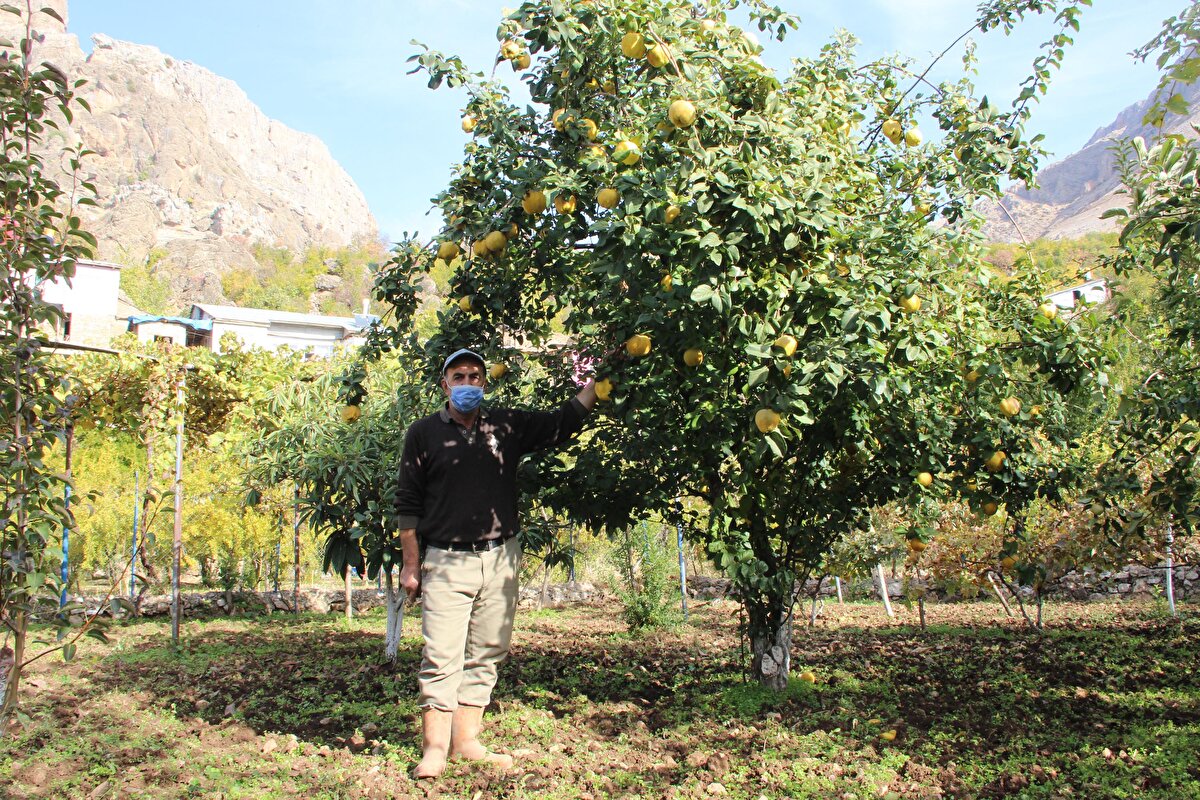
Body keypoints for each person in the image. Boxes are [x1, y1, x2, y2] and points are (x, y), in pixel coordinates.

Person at [396, 347, 598, 778]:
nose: (468, 384)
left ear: (485, 383)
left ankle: (466, 741)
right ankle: (434, 748)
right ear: (444, 383)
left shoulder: (505, 426)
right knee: (441, 655)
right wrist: (411, 566)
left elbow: (562, 422)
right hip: (446, 559)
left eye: (475, 377)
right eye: (459, 376)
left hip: (500, 557)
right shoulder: (423, 433)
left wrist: (600, 382)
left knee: (488, 652)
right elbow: (408, 505)